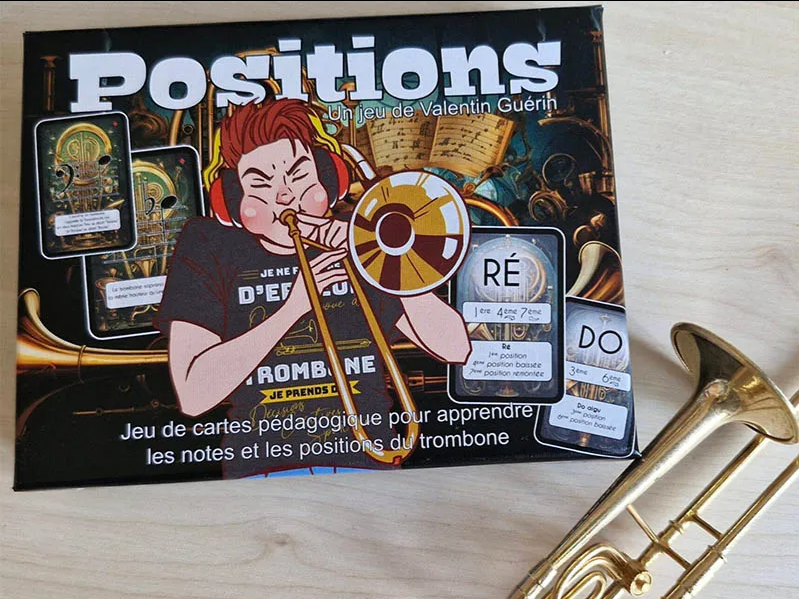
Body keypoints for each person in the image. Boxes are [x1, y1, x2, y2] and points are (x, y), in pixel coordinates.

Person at [156, 98, 471, 478]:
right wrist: (293, 308)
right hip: (261, 467)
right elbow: (193, 394)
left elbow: (455, 348)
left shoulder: (358, 237)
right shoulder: (209, 245)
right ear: (232, 198)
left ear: (328, 177)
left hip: (369, 464)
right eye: (261, 183)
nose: (285, 196)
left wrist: (380, 255)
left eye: (298, 175)